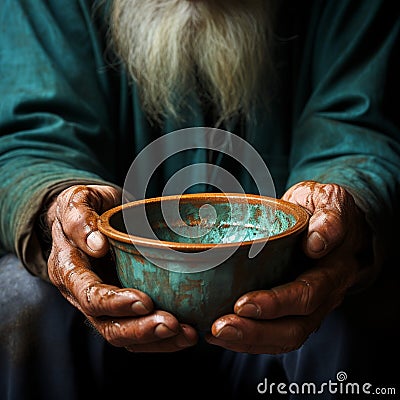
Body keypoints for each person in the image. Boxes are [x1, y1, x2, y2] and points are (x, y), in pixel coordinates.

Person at [1, 0, 399, 399]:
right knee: (19, 296)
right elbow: (33, 137)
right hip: (113, 305)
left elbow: (357, 125)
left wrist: (337, 207)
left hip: (279, 290)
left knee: (351, 307)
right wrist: (58, 203)